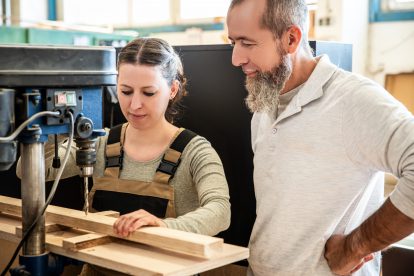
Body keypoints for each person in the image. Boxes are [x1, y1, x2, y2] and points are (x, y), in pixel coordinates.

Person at [226, 0, 414, 275]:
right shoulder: (263, 106)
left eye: (247, 43)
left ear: (291, 38)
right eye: (233, 42)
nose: (235, 58)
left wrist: (355, 246)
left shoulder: (354, 100)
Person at [17, 37, 231, 274]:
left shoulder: (194, 151)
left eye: (148, 93)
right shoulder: (99, 143)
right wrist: (47, 122)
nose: (134, 105)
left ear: (172, 90)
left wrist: (164, 226)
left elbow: (220, 210)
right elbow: (28, 172)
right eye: (126, 91)